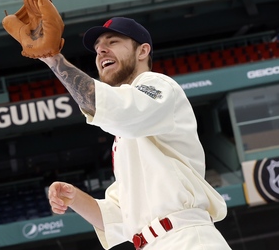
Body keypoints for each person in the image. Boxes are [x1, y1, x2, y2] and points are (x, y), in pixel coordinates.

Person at [37, 16, 229, 249]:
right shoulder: (127, 134)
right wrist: (74, 197)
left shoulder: (157, 85)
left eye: (113, 42)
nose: (101, 51)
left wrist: (54, 60)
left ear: (142, 51)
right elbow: (118, 216)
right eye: (97, 49)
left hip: (185, 237)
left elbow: (115, 110)